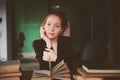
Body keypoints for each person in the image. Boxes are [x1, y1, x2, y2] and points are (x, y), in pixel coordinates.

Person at [32, 11, 74, 79]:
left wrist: (55, 58)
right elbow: (45, 68)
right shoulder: (37, 44)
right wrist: (48, 42)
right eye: (48, 24)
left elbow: (70, 68)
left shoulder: (67, 42)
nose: (51, 29)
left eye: (57, 26)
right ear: (43, 26)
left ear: (61, 30)